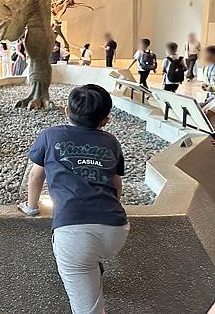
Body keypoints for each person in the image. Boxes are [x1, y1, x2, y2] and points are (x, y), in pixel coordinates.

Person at [21, 84, 129, 314]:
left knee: (86, 309)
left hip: (74, 233)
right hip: (116, 229)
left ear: (66, 111)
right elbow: (116, 184)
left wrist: (31, 207)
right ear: (105, 121)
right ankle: (93, 266)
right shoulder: (111, 141)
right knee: (88, 265)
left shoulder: (50, 136)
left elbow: (35, 176)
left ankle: (89, 270)